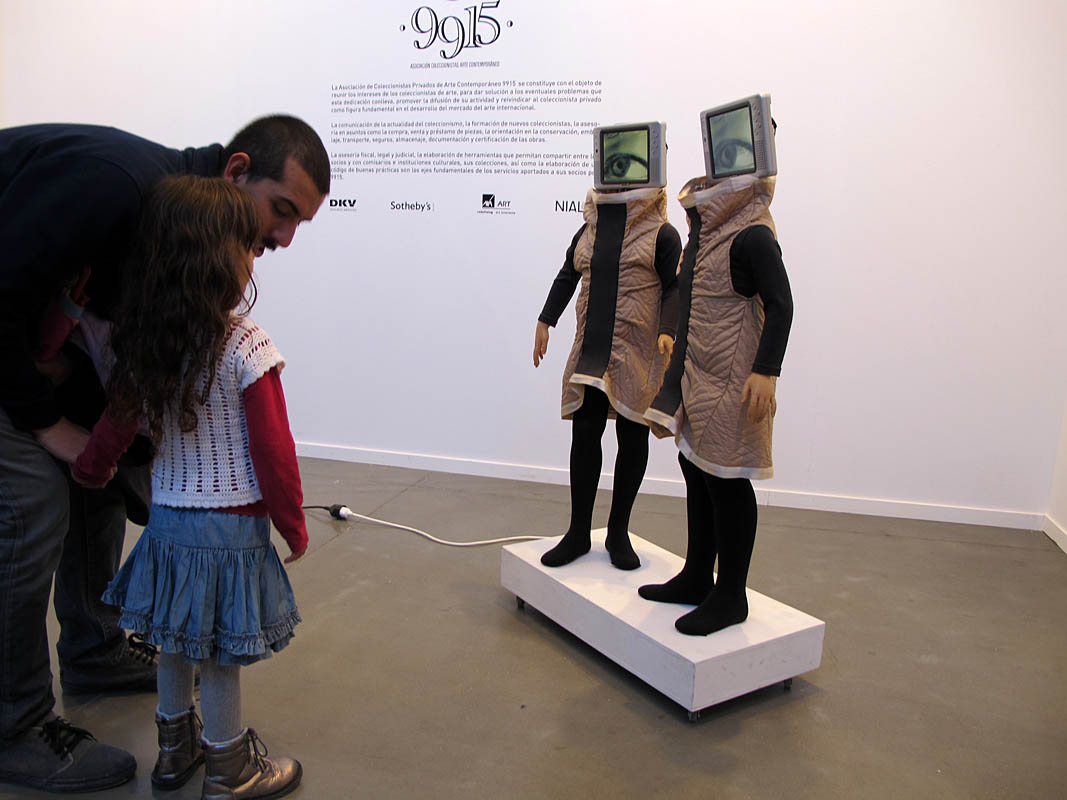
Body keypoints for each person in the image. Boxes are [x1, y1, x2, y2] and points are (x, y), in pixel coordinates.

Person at [0, 116, 328, 793]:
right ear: (237, 171)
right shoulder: (111, 187)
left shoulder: (166, 245)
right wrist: (47, 422)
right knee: (31, 503)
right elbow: (274, 448)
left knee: (100, 497)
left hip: (42, 361)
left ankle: (100, 657)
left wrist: (98, 455)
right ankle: (15, 725)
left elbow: (119, 395)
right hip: (5, 344)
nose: (282, 240)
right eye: (281, 212)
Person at [75, 175, 308, 796]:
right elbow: (273, 449)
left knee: (175, 643)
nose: (256, 257)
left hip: (168, 524)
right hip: (229, 529)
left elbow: (115, 424)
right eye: (249, 248)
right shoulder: (246, 343)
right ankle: (229, 768)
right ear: (223, 259)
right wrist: (293, 523)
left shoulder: (150, 342)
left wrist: (92, 469)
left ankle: (174, 752)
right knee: (220, 654)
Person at [640, 165, 793, 636]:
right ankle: (696, 575)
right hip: (703, 372)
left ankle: (730, 596)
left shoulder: (753, 236)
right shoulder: (710, 232)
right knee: (695, 466)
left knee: (727, 480)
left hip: (736, 377)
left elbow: (782, 303)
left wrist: (766, 370)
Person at [533, 181, 680, 570]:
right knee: (585, 432)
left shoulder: (661, 234)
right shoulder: (590, 228)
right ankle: (578, 532)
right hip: (592, 348)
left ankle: (618, 532)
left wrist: (668, 330)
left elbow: (674, 287)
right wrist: (546, 319)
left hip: (636, 350)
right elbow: (568, 273)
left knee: (632, 435)